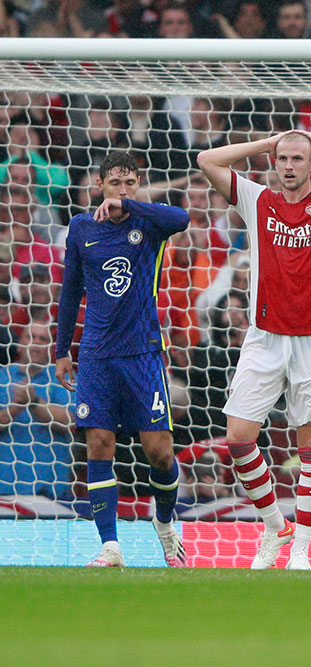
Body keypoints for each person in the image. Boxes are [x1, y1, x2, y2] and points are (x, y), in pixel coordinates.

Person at [197, 129, 311, 570]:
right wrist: (265, 144)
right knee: (239, 438)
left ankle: (301, 553)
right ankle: (277, 527)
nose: (290, 165)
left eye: (299, 158)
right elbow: (207, 160)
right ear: (273, 163)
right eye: (283, 158)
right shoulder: (256, 199)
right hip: (263, 337)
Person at [54, 150, 190, 568]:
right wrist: (62, 351)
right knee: (98, 444)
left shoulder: (148, 222)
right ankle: (110, 546)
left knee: (160, 452)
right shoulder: (80, 228)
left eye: (130, 182)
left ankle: (165, 525)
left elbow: (180, 220)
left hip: (143, 353)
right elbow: (70, 290)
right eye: (115, 183)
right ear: (99, 186)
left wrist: (129, 204)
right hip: (96, 353)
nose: (123, 189)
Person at [0, 323, 74, 500]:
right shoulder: (2, 376)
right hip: (5, 487)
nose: (37, 343)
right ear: (19, 344)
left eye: (43, 339)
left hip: (51, 491)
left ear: (50, 347)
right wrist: (17, 406)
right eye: (31, 337)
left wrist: (33, 401)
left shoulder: (62, 377)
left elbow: (69, 422)